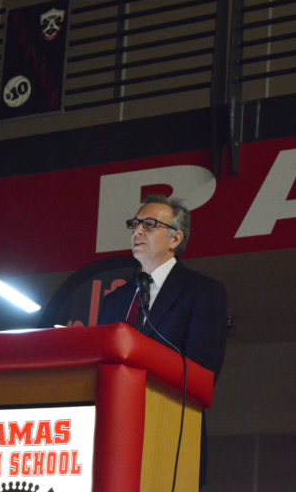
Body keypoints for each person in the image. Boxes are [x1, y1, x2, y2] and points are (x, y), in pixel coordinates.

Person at [96, 194, 230, 487]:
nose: (137, 231)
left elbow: (202, 373)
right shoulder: (114, 301)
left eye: (150, 224)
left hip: (171, 436)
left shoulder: (204, 291)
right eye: (135, 224)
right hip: (111, 439)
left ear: (175, 239)